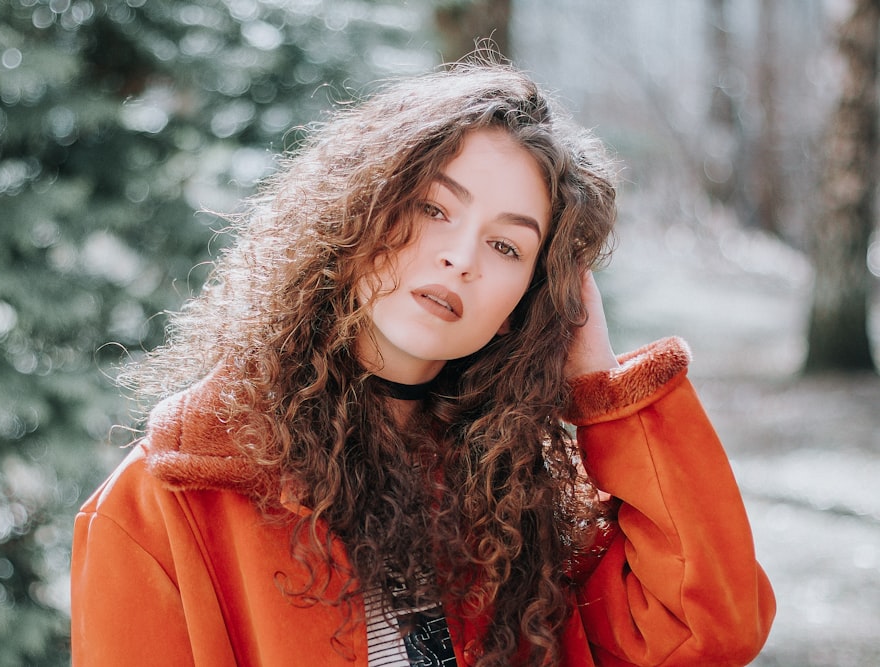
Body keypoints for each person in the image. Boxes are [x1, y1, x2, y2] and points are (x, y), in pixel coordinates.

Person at [70, 60, 775, 666]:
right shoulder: (166, 502)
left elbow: (709, 629)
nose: (461, 257)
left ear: (530, 301)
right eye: (437, 208)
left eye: (508, 247)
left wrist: (602, 389)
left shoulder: (515, 497)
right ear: (359, 206)